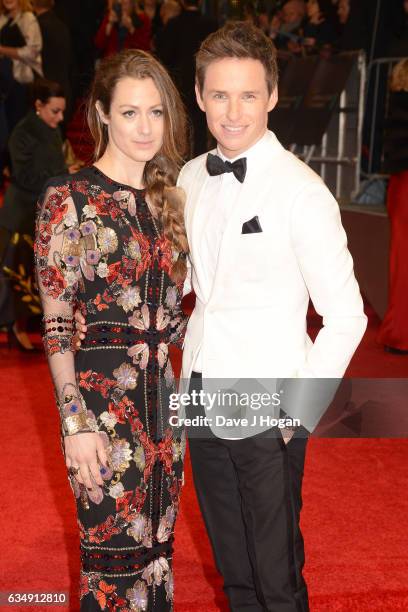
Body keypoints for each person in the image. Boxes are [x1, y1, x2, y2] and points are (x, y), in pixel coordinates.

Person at [76, 21, 367, 611]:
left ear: (273, 98)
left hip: (268, 398)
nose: (233, 111)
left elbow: (347, 315)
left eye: (249, 95)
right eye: (219, 95)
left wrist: (299, 411)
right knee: (231, 566)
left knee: (277, 575)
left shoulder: (301, 191)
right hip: (201, 390)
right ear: (201, 96)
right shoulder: (189, 177)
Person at [34, 49, 189, 610]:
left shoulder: (170, 198)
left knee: (157, 556)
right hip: (100, 413)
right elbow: (55, 326)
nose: (145, 127)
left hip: (165, 415)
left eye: (156, 112)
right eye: (129, 112)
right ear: (101, 114)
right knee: (111, 565)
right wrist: (75, 423)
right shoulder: (68, 198)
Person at [0, 78, 73, 351]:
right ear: (38, 105)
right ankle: (14, 326)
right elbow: (25, 176)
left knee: (36, 275)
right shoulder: (22, 133)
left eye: (62, 111)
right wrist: (63, 177)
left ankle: (27, 324)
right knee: (17, 275)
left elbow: (55, 165)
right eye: (55, 111)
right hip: (20, 215)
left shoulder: (51, 129)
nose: (60, 117)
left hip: (44, 214)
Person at [155, 0, 217, 156]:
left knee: (180, 126)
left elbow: (164, 56)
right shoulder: (211, 25)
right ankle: (201, 160)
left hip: (179, 83)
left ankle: (180, 162)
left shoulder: (174, 24)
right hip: (205, 81)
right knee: (202, 125)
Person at [377, 58, 408, 355]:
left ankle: (399, 332)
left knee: (401, 259)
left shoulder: (396, 106)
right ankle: (400, 333)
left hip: (400, 186)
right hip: (404, 186)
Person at [0, 0, 43, 179]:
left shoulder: (28, 18)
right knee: (4, 130)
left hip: (20, 83)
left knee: (17, 129)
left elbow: (32, 52)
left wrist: (2, 50)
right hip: (3, 82)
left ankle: (18, 171)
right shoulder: (2, 18)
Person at [32, 0, 73, 126]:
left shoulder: (35, 28)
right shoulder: (63, 26)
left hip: (45, 94)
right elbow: (71, 64)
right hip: (64, 90)